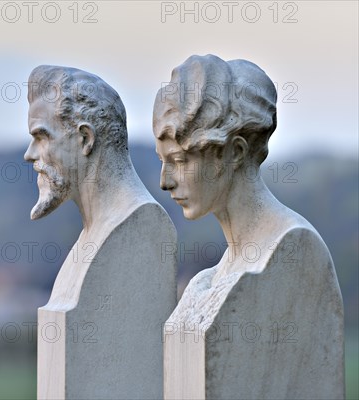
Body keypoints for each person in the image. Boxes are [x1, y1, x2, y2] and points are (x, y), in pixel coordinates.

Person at [154, 54, 344, 399]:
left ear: (235, 153)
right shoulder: (207, 278)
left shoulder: (294, 251)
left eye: (180, 161)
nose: (165, 181)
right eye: (163, 161)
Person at [26, 65, 176, 399]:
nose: (30, 155)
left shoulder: (139, 227)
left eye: (41, 137)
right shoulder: (91, 238)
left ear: (84, 138)